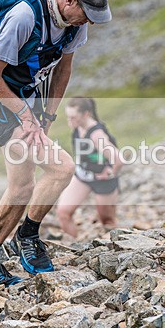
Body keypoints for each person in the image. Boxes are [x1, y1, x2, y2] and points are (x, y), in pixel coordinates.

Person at [0, 0, 112, 286]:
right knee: (62, 168)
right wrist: (28, 118)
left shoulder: (74, 25)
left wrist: (47, 115)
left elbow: (64, 69)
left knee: (21, 186)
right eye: (85, 15)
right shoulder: (23, 17)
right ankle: (27, 237)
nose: (87, 23)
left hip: (26, 103)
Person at [56, 98, 122, 238]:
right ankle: (74, 248)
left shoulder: (96, 135)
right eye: (68, 116)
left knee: (107, 221)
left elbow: (119, 159)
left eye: (73, 117)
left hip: (103, 181)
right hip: (82, 176)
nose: (69, 121)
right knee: (63, 213)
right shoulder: (77, 127)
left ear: (86, 114)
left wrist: (110, 173)